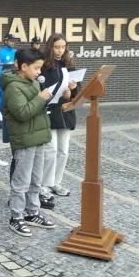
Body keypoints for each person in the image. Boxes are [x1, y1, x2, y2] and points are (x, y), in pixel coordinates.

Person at [0, 48, 56, 237]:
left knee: (36, 180)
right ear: (24, 67)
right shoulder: (13, 87)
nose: (39, 72)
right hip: (24, 139)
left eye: (40, 68)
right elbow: (22, 113)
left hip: (38, 137)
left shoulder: (33, 83)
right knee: (21, 181)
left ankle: (32, 212)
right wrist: (40, 99)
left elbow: (36, 107)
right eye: (36, 68)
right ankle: (16, 217)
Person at [40, 33, 80, 198]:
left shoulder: (68, 64)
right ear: (50, 47)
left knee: (63, 151)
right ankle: (44, 183)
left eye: (63, 47)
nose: (60, 50)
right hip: (50, 111)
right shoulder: (43, 65)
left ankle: (56, 182)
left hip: (65, 112)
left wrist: (73, 89)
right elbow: (42, 87)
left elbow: (77, 89)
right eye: (57, 47)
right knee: (51, 150)